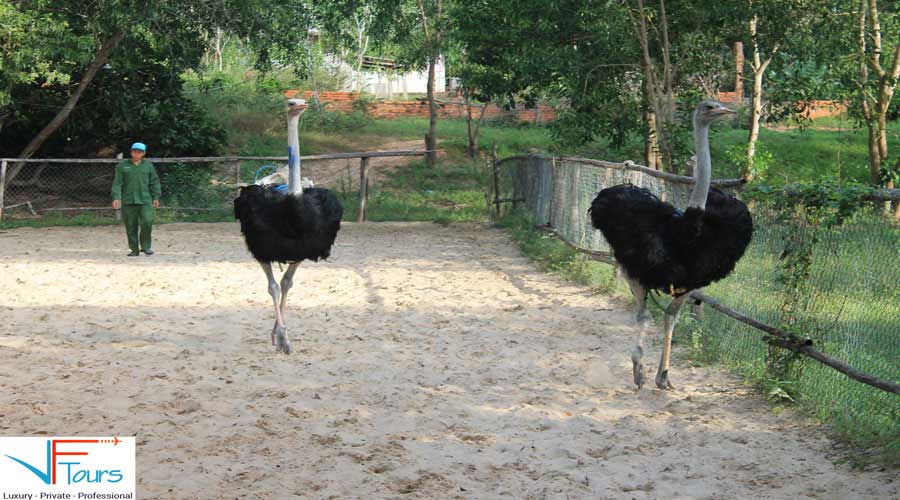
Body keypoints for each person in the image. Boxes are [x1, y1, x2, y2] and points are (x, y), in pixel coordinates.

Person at [111, 142, 161, 256]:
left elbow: (154, 182)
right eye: (134, 151)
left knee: (147, 222)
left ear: (143, 153)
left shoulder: (148, 166)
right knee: (130, 225)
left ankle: (146, 247)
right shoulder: (122, 166)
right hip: (128, 200)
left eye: (139, 152)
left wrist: (156, 197)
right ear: (131, 152)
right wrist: (116, 197)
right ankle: (134, 249)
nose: (136, 154)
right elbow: (117, 183)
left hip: (145, 200)